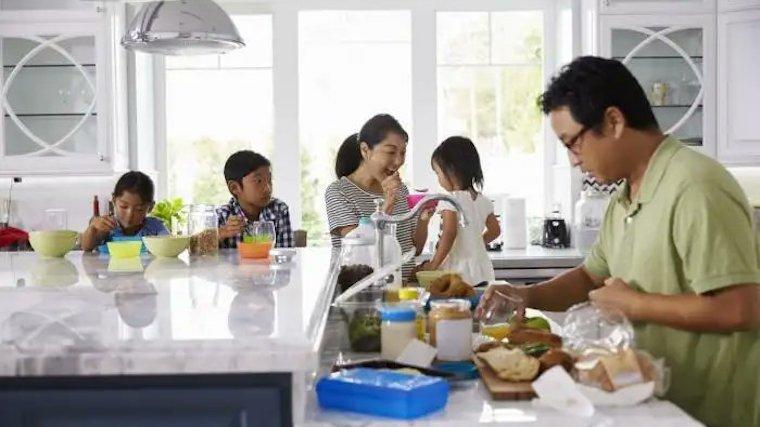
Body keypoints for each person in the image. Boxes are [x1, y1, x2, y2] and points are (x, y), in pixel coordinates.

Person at [476, 56, 760, 427]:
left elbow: (741, 308)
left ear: (613, 121)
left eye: (572, 143)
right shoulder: (624, 197)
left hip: (704, 412)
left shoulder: (696, 187)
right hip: (647, 402)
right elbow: (591, 278)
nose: (574, 161)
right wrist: (525, 295)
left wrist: (635, 304)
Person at [325, 114, 430, 280]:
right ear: (365, 150)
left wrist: (424, 217)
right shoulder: (339, 192)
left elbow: (414, 250)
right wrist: (387, 206)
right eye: (391, 152)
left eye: (403, 153)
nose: (398, 161)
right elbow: (359, 251)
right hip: (364, 290)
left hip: (403, 289)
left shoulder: (401, 189)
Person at [417, 136, 499, 285]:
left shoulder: (449, 200)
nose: (438, 179)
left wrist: (433, 265)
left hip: (458, 271)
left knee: (454, 306)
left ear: (451, 170)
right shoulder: (484, 200)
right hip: (482, 270)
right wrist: (475, 244)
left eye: (438, 173)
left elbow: (449, 233)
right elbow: (495, 231)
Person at [216, 150, 294, 249]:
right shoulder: (222, 215)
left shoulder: (278, 210)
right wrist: (221, 233)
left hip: (269, 265)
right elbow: (195, 251)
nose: (268, 188)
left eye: (269, 180)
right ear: (234, 188)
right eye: (258, 181)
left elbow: (285, 256)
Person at [81, 171, 168, 251]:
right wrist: (93, 227)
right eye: (124, 207)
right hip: (111, 268)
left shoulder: (155, 228)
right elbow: (86, 247)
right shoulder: (106, 226)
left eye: (139, 209)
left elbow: (168, 247)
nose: (129, 215)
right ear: (114, 200)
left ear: (150, 207)